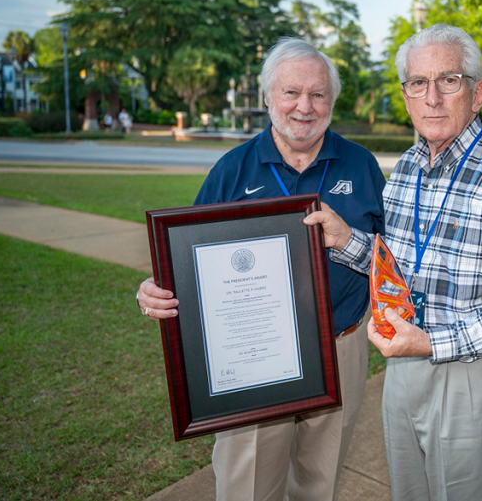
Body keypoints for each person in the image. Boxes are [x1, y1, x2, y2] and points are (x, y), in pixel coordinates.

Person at [304, 24, 482, 501]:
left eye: (449, 80)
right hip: (406, 365)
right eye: (419, 83)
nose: (433, 97)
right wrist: (345, 240)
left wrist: (432, 341)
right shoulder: (405, 169)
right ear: (406, 96)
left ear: (477, 92)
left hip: (473, 374)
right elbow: (400, 270)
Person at [136, 37, 386, 501]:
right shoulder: (232, 170)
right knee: (246, 486)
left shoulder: (363, 165)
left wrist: (350, 239)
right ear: (267, 97)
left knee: (321, 481)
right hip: (252, 358)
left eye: (318, 94)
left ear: (332, 100)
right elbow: (188, 265)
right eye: (291, 92)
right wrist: (154, 291)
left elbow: (395, 262)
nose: (304, 107)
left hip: (340, 346)